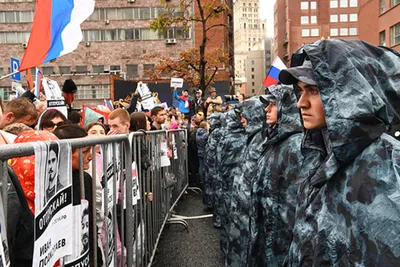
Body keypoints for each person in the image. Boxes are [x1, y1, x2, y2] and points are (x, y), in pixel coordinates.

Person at [278, 39, 400, 266]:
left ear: (350, 95)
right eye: (300, 91)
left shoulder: (390, 168)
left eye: (314, 91)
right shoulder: (321, 155)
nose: (301, 103)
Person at [225, 96, 267, 267]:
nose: (242, 119)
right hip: (242, 214)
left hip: (250, 218)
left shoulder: (262, 141)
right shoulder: (253, 138)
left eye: (245, 115)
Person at [53, 124, 103, 267]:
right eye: (85, 151)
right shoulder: (49, 187)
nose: (90, 156)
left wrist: (95, 259)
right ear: (66, 152)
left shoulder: (85, 179)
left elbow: (90, 224)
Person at [215, 108, 247, 258]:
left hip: (229, 182)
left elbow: (219, 159)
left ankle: (226, 251)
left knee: (229, 217)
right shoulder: (247, 136)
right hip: (235, 183)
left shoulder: (226, 137)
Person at [196, 121, 209, 188]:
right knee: (205, 166)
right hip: (205, 151)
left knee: (201, 166)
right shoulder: (206, 135)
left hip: (199, 151)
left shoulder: (197, 134)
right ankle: (205, 179)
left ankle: (201, 179)